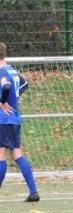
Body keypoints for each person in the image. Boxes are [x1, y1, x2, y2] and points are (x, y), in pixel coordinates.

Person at [0, 43, 40, 202]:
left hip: (3, 119)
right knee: (16, 153)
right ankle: (33, 192)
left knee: (1, 155)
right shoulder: (12, 70)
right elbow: (25, 84)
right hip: (15, 117)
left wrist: (3, 102)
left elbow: (6, 86)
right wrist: (14, 101)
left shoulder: (2, 72)